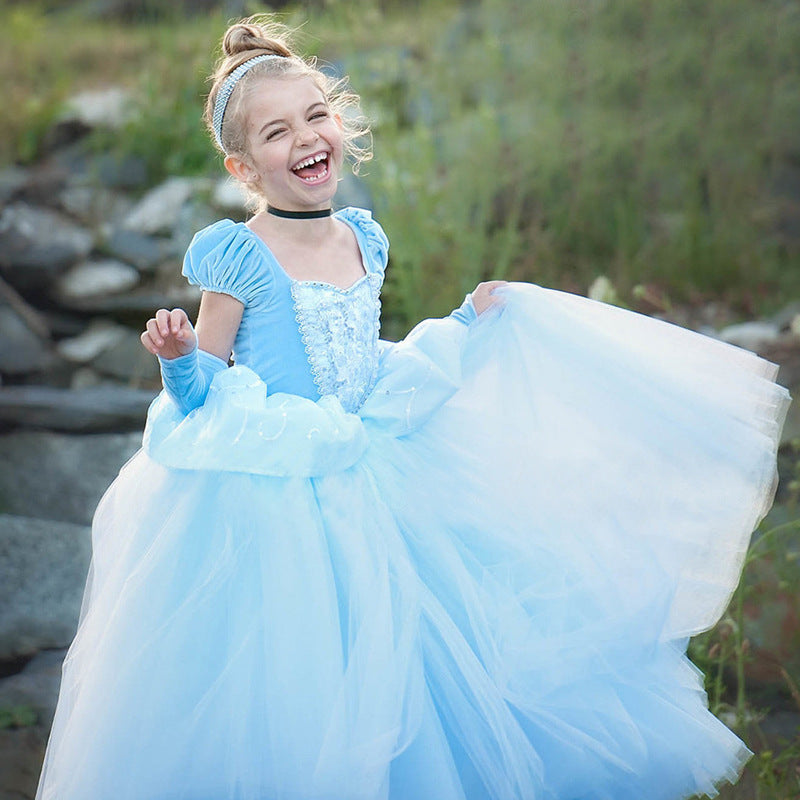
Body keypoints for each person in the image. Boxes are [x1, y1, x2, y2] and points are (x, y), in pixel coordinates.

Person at [37, 16, 790, 800]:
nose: (304, 138)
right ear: (244, 167)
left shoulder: (363, 235)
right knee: (297, 685)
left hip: (376, 462)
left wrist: (468, 319)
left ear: (340, 124)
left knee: (429, 656)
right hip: (274, 490)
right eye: (276, 133)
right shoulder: (239, 256)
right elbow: (205, 397)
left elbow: (366, 359)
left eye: (316, 116)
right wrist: (179, 358)